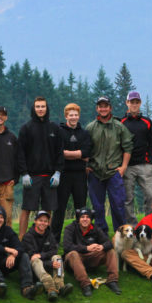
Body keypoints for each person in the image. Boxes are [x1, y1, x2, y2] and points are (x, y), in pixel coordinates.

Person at [17, 97, 64, 239]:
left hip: (50, 177)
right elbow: (20, 153)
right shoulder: (26, 128)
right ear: (34, 108)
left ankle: (46, 240)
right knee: (26, 209)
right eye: (37, 106)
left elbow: (59, 152)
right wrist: (24, 173)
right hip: (32, 177)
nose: (40, 109)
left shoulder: (55, 128)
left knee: (47, 210)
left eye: (43, 106)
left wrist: (58, 172)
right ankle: (22, 239)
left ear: (46, 108)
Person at [85, 96, 133, 234]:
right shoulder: (90, 127)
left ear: (110, 108)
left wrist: (123, 167)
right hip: (95, 173)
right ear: (97, 108)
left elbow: (128, 147)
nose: (103, 108)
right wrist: (87, 165)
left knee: (118, 206)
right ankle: (102, 237)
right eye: (100, 106)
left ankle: (121, 236)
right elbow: (86, 148)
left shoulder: (119, 127)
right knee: (97, 207)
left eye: (105, 106)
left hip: (114, 172)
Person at [0, 205, 40, 299]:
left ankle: (27, 288)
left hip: (4, 263)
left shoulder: (7, 230)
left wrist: (13, 255)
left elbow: (20, 247)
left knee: (24, 255)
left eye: (1, 217)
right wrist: (5, 249)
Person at [53, 103, 93, 242]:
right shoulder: (59, 131)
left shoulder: (84, 133)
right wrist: (79, 154)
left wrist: (66, 153)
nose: (74, 117)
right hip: (63, 174)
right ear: (66, 116)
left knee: (81, 209)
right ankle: (54, 241)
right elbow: (57, 152)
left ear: (79, 116)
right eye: (71, 115)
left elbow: (87, 152)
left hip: (80, 175)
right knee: (59, 210)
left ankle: (80, 240)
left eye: (76, 114)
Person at [62, 207, 120, 297]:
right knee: (73, 254)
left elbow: (109, 243)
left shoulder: (95, 228)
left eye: (87, 217)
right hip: (75, 260)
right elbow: (67, 247)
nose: (85, 219)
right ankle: (86, 285)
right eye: (82, 217)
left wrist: (102, 246)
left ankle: (112, 281)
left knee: (111, 251)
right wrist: (86, 248)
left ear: (91, 219)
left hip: (92, 258)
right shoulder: (70, 228)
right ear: (78, 219)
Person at [120, 91, 152, 223]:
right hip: (127, 166)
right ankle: (132, 224)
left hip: (145, 165)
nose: (134, 105)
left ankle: (148, 222)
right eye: (131, 102)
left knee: (150, 195)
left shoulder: (147, 122)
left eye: (136, 102)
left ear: (140, 103)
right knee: (128, 198)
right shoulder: (121, 122)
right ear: (127, 103)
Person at [22, 210, 73, 302]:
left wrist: (42, 256)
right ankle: (50, 289)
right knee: (35, 260)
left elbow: (54, 250)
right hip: (35, 270)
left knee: (58, 257)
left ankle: (60, 286)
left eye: (45, 221)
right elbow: (31, 257)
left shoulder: (49, 234)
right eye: (40, 220)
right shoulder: (28, 237)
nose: (43, 223)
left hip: (48, 264)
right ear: (35, 221)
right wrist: (49, 263)